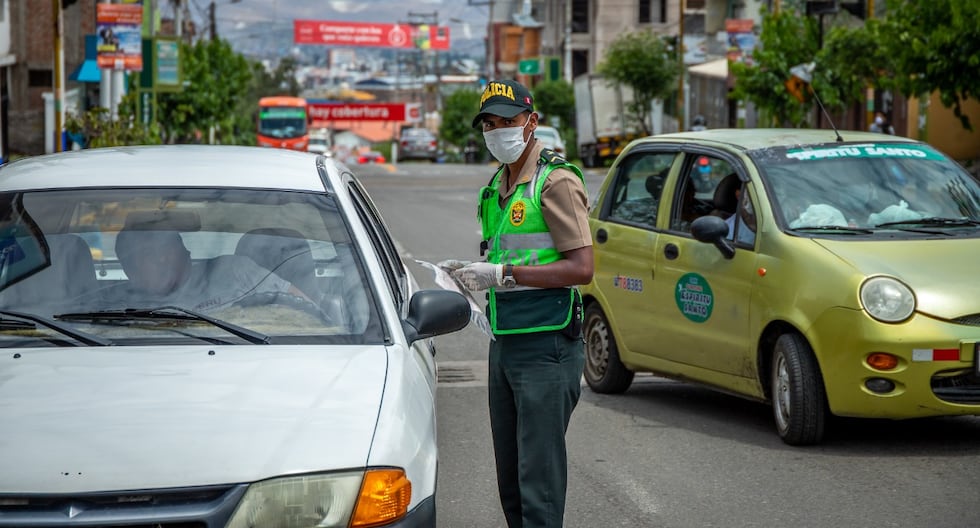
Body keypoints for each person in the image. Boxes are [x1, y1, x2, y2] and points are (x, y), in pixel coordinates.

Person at [444, 79, 593, 528]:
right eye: (489, 124)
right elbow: (504, 254)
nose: (497, 131)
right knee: (510, 479)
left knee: (538, 480)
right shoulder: (497, 186)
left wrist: (505, 275)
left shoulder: (555, 181)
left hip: (547, 343)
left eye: (507, 121)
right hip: (504, 340)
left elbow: (582, 268)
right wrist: (473, 274)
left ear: (531, 122)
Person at [114, 228, 308, 313]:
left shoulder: (234, 271)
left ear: (184, 250)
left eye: (165, 248)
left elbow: (304, 306)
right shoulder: (115, 310)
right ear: (130, 272)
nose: (161, 258)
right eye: (148, 254)